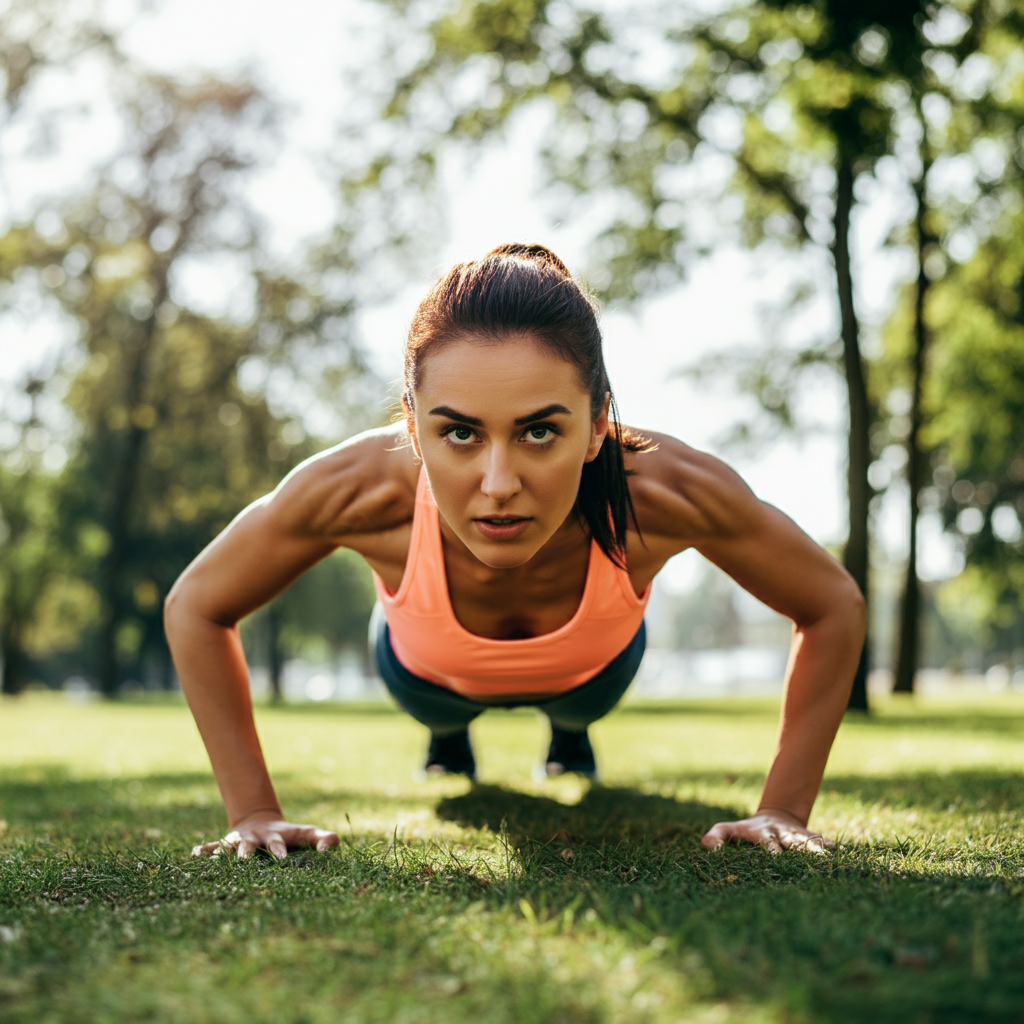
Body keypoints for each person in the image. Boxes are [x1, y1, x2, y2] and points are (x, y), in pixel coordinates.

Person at [165, 242, 866, 861]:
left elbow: (831, 602)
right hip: (425, 676)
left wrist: (782, 811)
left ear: (596, 426)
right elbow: (197, 605)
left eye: (538, 433)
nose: (499, 486)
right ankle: (450, 736)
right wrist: (254, 812)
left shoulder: (666, 492)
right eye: (460, 434)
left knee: (579, 709)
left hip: (595, 671)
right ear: (413, 428)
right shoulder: (361, 492)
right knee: (442, 713)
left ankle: (568, 733)